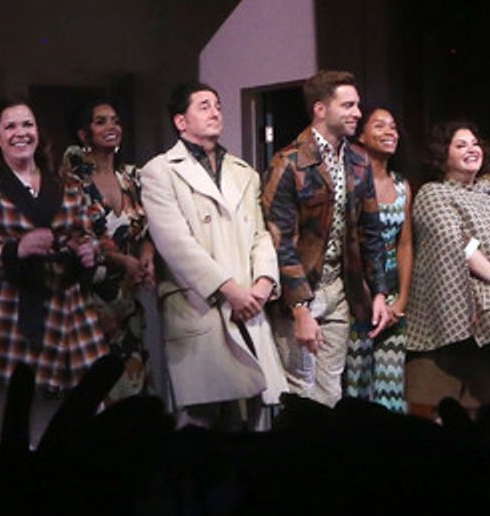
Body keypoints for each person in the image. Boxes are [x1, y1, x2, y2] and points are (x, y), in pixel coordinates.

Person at [0, 95, 107, 447]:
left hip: (66, 310)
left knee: (73, 418)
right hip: (6, 313)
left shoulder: (65, 182)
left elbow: (84, 232)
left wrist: (87, 249)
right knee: (8, 424)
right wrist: (17, 249)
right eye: (10, 126)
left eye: (27, 124)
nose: (20, 133)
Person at [141, 81, 287, 430]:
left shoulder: (243, 171)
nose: (215, 112)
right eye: (204, 106)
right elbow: (175, 244)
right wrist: (229, 289)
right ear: (181, 121)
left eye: (218, 105)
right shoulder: (160, 171)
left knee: (252, 417)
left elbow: (260, 235)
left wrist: (263, 283)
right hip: (200, 304)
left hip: (248, 304)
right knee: (202, 422)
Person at [263, 69, 386, 407]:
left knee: (331, 390)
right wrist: (300, 308)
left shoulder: (358, 160)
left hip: (338, 288)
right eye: (347, 105)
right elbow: (280, 242)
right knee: (300, 392)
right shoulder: (288, 162)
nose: (357, 113)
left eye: (357, 105)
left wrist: (378, 290)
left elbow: (370, 231)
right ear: (320, 109)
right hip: (302, 288)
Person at [404, 120, 490, 413]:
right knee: (437, 411)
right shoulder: (433, 193)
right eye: (461, 145)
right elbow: (457, 242)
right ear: (443, 155)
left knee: (489, 413)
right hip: (451, 324)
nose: (471, 150)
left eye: (475, 144)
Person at [61, 98, 157, 402]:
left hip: (127, 303)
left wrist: (147, 256)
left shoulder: (131, 177)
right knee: (91, 392)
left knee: (131, 393)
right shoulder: (72, 180)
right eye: (100, 121)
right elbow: (69, 236)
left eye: (115, 120)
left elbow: (145, 230)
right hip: (87, 298)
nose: (111, 126)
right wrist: (118, 260)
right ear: (84, 134)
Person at [343, 105, 413, 414]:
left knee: (391, 388)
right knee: (356, 386)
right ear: (361, 136)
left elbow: (405, 244)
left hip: (393, 295)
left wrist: (402, 299)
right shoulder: (351, 181)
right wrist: (370, 296)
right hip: (359, 295)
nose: (389, 132)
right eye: (380, 125)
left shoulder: (401, 185)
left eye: (393, 126)